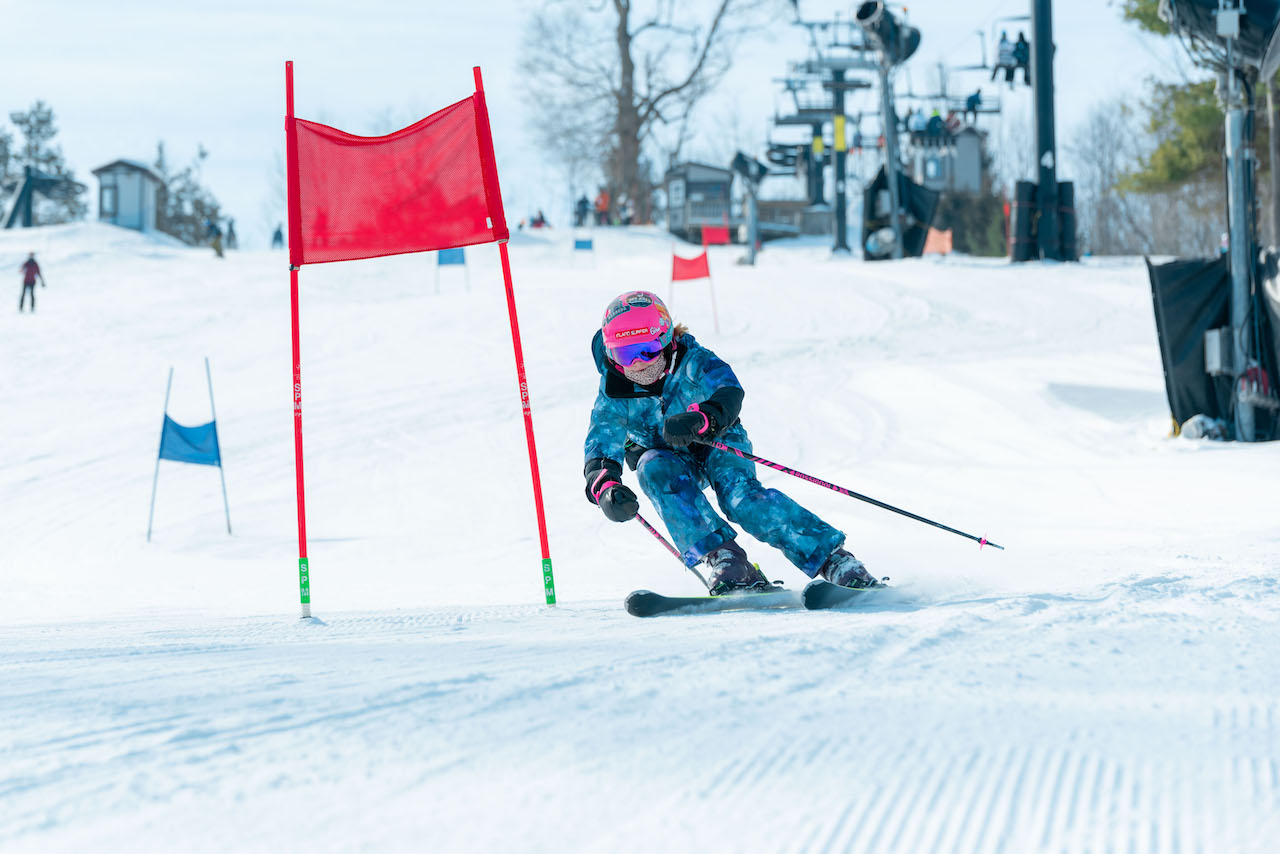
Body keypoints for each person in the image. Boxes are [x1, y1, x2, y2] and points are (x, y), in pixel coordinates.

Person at [582, 291, 881, 595]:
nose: (637, 365)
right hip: (667, 458)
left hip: (717, 441)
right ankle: (726, 560)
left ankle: (833, 560)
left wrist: (702, 419)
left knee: (741, 499)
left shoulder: (693, 361)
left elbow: (729, 390)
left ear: (667, 339)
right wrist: (606, 488)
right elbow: (601, 444)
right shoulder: (614, 390)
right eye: (623, 355)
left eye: (646, 351)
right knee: (652, 467)